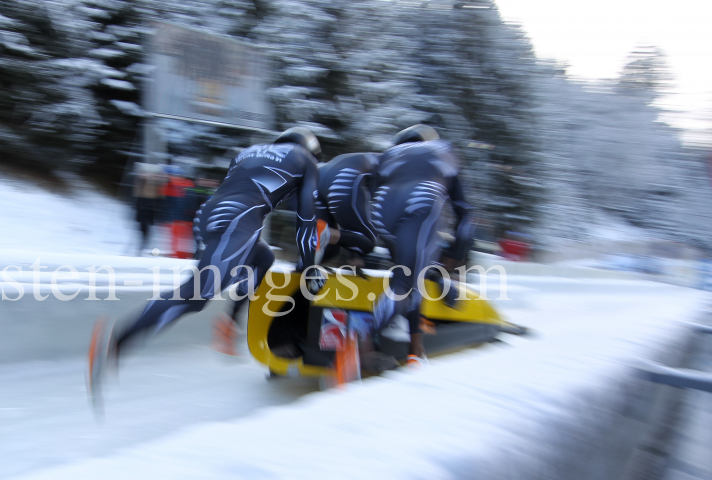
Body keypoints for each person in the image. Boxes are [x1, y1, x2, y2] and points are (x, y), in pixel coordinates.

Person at [87, 127, 330, 410]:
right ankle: (117, 340)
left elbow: (241, 188)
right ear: (309, 149)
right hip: (237, 222)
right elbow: (305, 221)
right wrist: (309, 267)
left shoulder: (246, 153)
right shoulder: (306, 160)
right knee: (196, 295)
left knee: (263, 259)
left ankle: (228, 323)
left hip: (210, 215)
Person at [367, 124, 474, 368]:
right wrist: (452, 262)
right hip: (420, 200)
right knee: (407, 280)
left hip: (381, 208)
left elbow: (369, 194)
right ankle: (359, 343)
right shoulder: (441, 149)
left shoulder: (390, 154)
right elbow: (466, 217)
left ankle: (415, 352)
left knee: (408, 275)